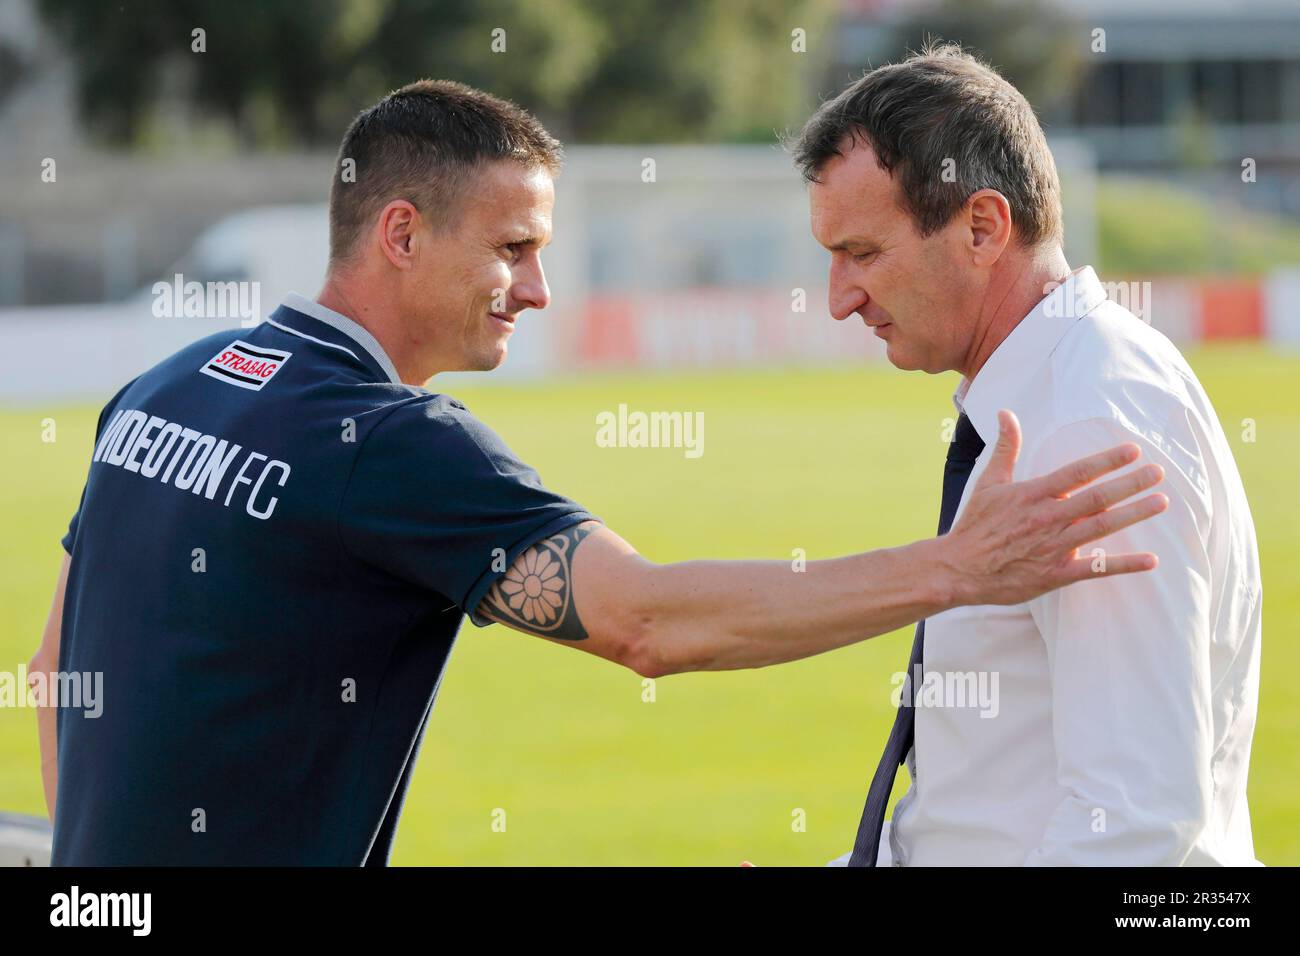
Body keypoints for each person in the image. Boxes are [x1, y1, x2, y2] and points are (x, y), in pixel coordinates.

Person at [30, 79, 1167, 865]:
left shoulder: (165, 387)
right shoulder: (389, 443)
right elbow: (648, 622)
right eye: (513, 248)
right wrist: (954, 567)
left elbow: (55, 663)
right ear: (400, 234)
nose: (536, 290)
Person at [790, 43, 1261, 866]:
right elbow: (986, 804)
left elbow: (1134, 825)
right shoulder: (1056, 392)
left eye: (862, 254)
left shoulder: (1087, 419)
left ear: (982, 226)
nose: (840, 299)